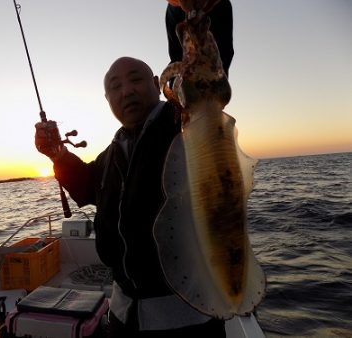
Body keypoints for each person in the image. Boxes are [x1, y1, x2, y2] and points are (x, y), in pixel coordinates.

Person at [35, 2, 233, 337]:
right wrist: (57, 154)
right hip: (123, 315)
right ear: (107, 100)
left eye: (135, 79)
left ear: (158, 84)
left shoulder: (183, 121)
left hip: (187, 320)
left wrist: (181, 12)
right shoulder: (113, 153)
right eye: (115, 86)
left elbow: (203, 68)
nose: (125, 90)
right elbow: (85, 186)